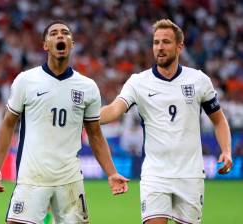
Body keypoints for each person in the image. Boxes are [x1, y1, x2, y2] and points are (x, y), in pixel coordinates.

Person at [0, 20, 129, 224]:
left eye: (65, 33)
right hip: (32, 178)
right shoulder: (26, 80)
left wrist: (112, 172)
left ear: (72, 44)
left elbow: (95, 134)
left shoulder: (87, 87)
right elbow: (8, 124)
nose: (60, 36)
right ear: (46, 45)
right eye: (54, 33)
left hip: (69, 181)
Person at [100, 19, 233, 224]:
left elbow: (219, 120)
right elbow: (113, 110)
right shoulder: (138, 82)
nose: (160, 47)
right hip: (155, 174)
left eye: (166, 42)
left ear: (179, 46)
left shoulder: (198, 80)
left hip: (190, 175)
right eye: (156, 42)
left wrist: (226, 150)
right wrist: (85, 118)